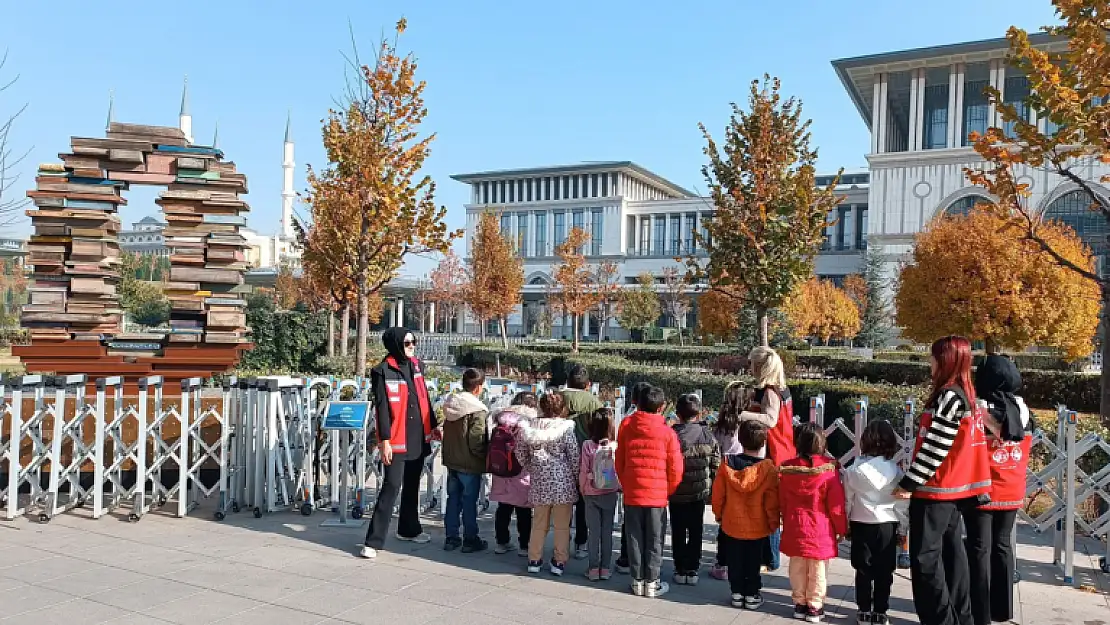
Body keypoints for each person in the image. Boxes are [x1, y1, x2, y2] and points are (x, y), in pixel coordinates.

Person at [894, 336, 991, 625]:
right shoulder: (965, 395)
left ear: (946, 361)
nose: (930, 363)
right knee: (953, 554)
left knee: (925, 560)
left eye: (934, 357)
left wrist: (908, 484)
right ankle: (962, 617)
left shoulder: (949, 397)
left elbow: (935, 447)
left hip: (936, 490)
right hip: (954, 492)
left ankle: (940, 619)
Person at [965, 353, 1032, 625]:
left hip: (981, 486)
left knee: (979, 547)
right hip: (1012, 487)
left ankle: (978, 610)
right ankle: (1002, 609)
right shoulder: (1024, 409)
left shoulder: (979, 407)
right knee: (1002, 546)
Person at [361, 328, 437, 559]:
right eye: (407, 343)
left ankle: (409, 529)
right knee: (392, 486)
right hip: (396, 438)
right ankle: (373, 541)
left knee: (413, 484)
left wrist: (433, 426)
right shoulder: (382, 371)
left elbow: (424, 397)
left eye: (414, 341)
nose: (412, 346)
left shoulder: (417, 366)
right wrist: (384, 441)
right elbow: (382, 409)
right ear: (394, 345)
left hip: (417, 435)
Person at [615, 385, 683, 598]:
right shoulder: (668, 433)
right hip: (657, 495)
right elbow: (676, 468)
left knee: (633, 537)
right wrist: (667, 490)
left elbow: (620, 461)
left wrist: (627, 483)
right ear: (662, 407)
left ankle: (637, 580)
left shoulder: (627, 426)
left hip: (633, 492)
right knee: (655, 540)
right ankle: (652, 582)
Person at [780, 422, 848, 623]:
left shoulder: (787, 469)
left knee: (797, 567)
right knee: (818, 570)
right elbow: (836, 506)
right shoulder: (828, 470)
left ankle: (799, 602)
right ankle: (815, 606)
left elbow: (782, 500)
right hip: (820, 528)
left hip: (795, 524)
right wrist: (842, 528)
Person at [711, 420, 779, 611]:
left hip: (732, 522)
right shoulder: (769, 469)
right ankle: (752, 594)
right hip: (758, 526)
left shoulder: (727, 465)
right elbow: (771, 502)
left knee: (735, 561)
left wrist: (719, 514)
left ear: (740, 439)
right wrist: (773, 523)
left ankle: (737, 592)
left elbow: (718, 495)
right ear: (763, 442)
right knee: (753, 562)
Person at [740, 346, 796, 572]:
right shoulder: (782, 389)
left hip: (774, 452)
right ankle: (769, 555)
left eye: (752, 364)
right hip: (783, 449)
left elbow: (771, 420)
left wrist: (743, 414)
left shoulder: (771, 392)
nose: (749, 368)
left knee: (768, 508)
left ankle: (770, 558)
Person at [843, 420, 903, 625]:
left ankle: (863, 610)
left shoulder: (853, 470)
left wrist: (847, 523)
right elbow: (902, 503)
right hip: (887, 523)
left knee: (863, 569)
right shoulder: (895, 472)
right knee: (884, 571)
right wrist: (903, 528)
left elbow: (847, 500)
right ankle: (880, 611)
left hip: (861, 522)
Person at [516, 392, 580, 576]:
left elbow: (520, 453)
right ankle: (559, 562)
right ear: (561, 409)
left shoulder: (529, 429)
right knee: (561, 526)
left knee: (539, 524)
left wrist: (532, 467)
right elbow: (574, 456)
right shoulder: (565, 428)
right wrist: (576, 477)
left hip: (540, 481)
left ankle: (534, 559)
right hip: (563, 482)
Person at [670, 393, 721, 586]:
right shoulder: (707, 435)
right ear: (699, 414)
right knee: (696, 529)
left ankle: (680, 567)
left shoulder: (673, 434)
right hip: (699, 493)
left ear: (677, 414)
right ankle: (692, 568)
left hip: (676, 492)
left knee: (678, 530)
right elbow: (716, 462)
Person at [441, 368, 491, 553]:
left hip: (452, 461)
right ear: (478, 388)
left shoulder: (451, 404)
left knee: (453, 499)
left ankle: (451, 538)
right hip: (469, 464)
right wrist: (484, 456)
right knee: (469, 502)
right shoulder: (476, 410)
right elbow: (476, 440)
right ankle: (470, 539)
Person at [562, 364, 604, 560]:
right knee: (583, 503)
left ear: (568, 381)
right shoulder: (593, 402)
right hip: (586, 458)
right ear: (587, 384)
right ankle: (581, 543)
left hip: (559, 457)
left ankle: (561, 542)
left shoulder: (557, 397)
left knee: (564, 502)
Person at [708, 382, 749, 581]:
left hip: (725, 474)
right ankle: (740, 560)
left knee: (725, 522)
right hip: (745, 474)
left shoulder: (722, 424)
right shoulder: (749, 424)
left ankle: (722, 562)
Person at [489, 391, 537, 557]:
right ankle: (524, 545)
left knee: (503, 509)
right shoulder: (527, 423)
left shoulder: (501, 420)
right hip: (520, 474)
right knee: (523, 511)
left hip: (501, 472)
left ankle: (501, 542)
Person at [578, 407, 621, 581]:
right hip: (610, 492)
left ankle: (593, 568)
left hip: (591, 493)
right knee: (607, 532)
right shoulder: (614, 446)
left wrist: (583, 488)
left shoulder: (587, 445)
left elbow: (583, 470)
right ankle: (605, 568)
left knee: (593, 532)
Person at [615, 381, 652, 575]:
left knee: (629, 523)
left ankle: (625, 558)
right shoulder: (658, 423)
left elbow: (620, 454)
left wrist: (622, 479)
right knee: (650, 526)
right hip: (653, 485)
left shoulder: (626, 421)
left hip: (631, 480)